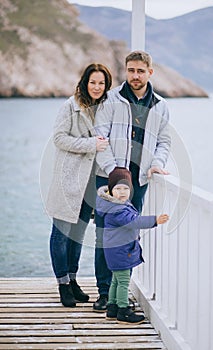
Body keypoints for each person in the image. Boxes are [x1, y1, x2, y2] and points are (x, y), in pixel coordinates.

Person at [93, 50, 171, 312]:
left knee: (128, 236)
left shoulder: (160, 105)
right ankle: (104, 293)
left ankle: (120, 292)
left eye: (140, 71)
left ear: (150, 72)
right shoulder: (111, 99)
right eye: (131, 70)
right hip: (110, 181)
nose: (135, 76)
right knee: (105, 238)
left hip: (139, 181)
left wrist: (157, 164)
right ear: (125, 71)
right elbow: (100, 137)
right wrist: (114, 171)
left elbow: (164, 141)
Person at [46, 63, 112, 307]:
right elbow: (59, 138)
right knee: (61, 234)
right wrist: (90, 144)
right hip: (68, 179)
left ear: (106, 86)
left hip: (91, 182)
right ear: (85, 82)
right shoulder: (70, 106)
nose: (96, 87)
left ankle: (73, 280)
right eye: (93, 82)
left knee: (77, 235)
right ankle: (63, 284)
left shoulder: (106, 109)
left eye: (101, 83)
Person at [96, 167, 169, 324]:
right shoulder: (116, 209)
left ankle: (112, 307)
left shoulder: (117, 204)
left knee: (116, 280)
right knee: (123, 281)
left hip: (116, 250)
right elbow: (134, 221)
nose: (122, 192)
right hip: (119, 251)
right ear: (110, 190)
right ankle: (123, 310)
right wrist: (155, 220)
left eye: (126, 188)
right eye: (118, 188)